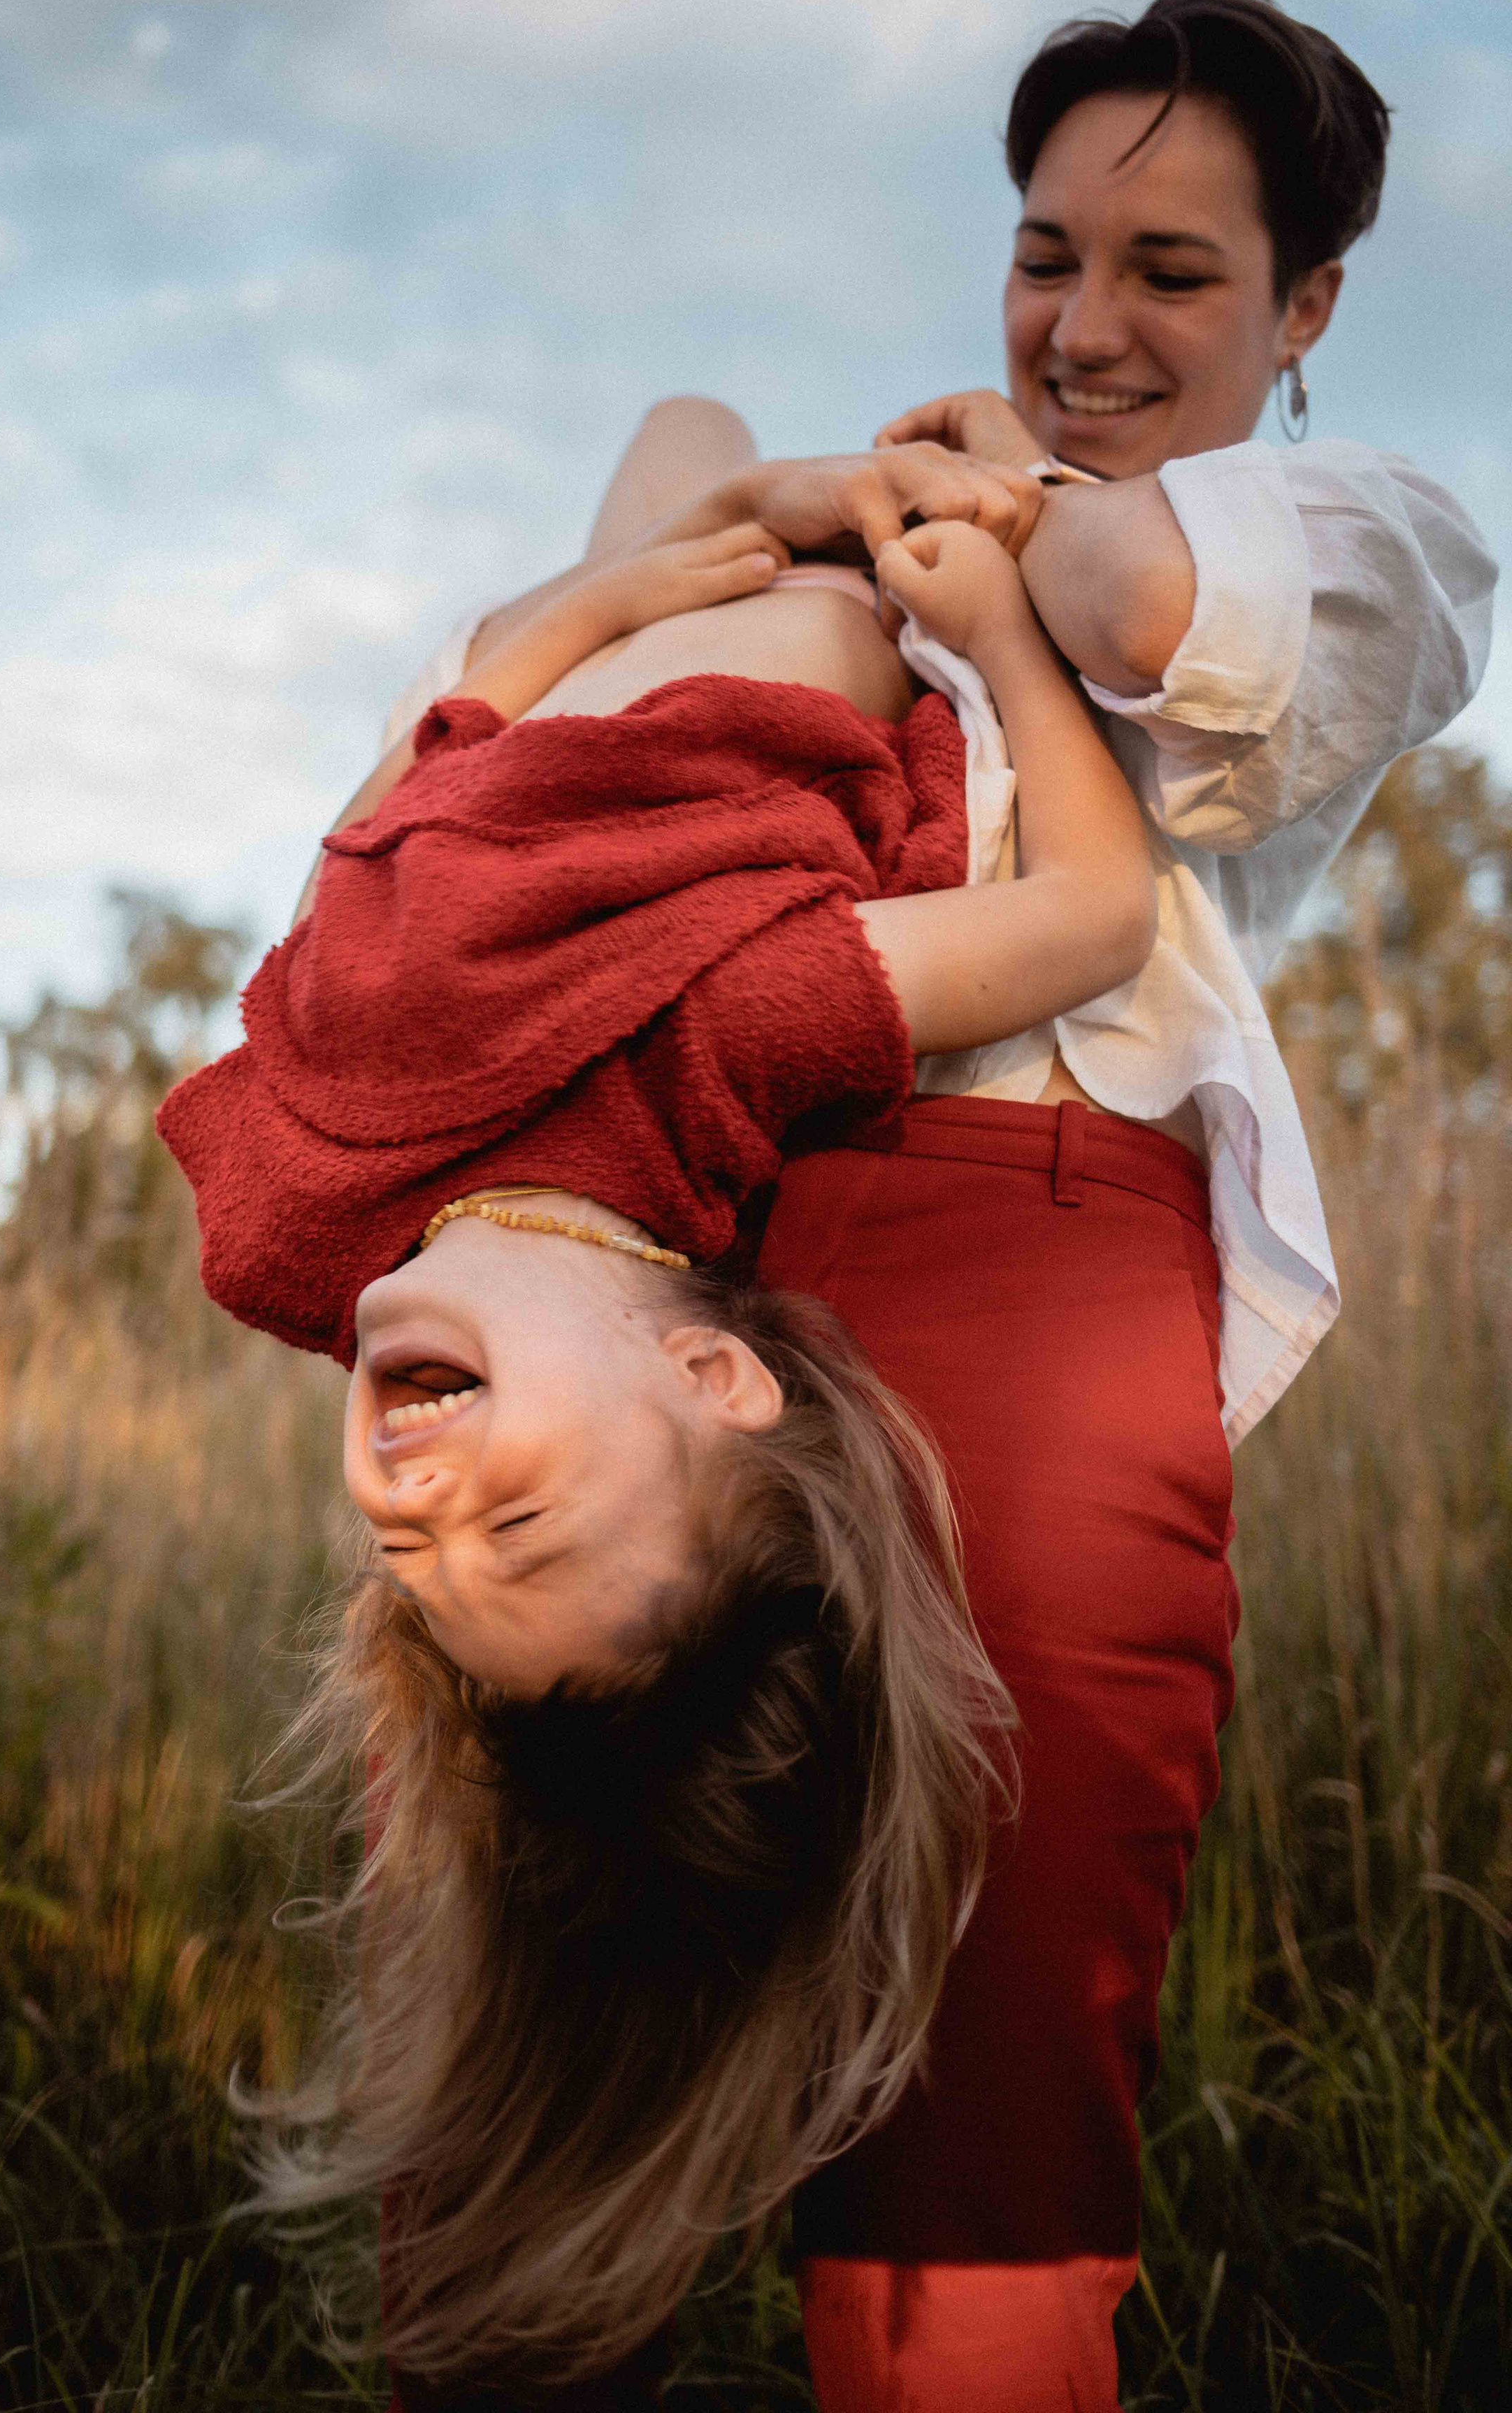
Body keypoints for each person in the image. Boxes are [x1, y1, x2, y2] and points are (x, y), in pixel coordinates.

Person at [370, 0, 1496, 2409]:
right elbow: (517, 726)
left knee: (979, 2055)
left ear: (1306, 311)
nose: (1089, 325)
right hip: (688, 1223)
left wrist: (960, 493)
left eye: (1174, 274)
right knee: (558, 1969)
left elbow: (1136, 618)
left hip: (1027, 1221)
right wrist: (796, 529)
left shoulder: (1361, 523)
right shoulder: (873, 559)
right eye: (1043, 254)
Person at [158, 507, 1160, 2386]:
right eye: (517, 1522)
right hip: (816, 608)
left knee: (677, 446)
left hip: (614, 609)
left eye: (417, 1570)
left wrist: (578, 610)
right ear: (718, 1387)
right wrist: (998, 646)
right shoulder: (711, 1049)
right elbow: (1098, 920)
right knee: (780, 460)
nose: (417, 1508)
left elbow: (376, 843)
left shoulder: (296, 1223)